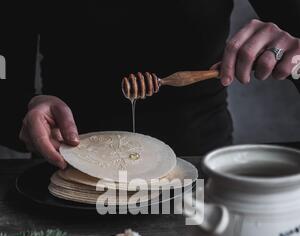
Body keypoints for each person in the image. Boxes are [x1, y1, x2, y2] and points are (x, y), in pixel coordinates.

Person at [1, 1, 300, 167]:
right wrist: (24, 113)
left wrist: (296, 57)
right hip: (68, 164)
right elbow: (4, 77)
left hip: (195, 169)